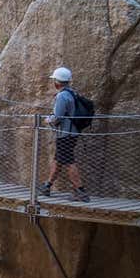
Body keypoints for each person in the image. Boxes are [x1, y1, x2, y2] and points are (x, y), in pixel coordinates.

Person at [38, 67, 90, 202]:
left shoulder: (62, 95)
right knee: (59, 160)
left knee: (68, 162)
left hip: (65, 134)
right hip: (72, 133)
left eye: (54, 80)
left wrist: (48, 119)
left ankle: (81, 191)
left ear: (58, 82)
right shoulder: (72, 93)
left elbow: (58, 117)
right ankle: (47, 186)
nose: (53, 82)